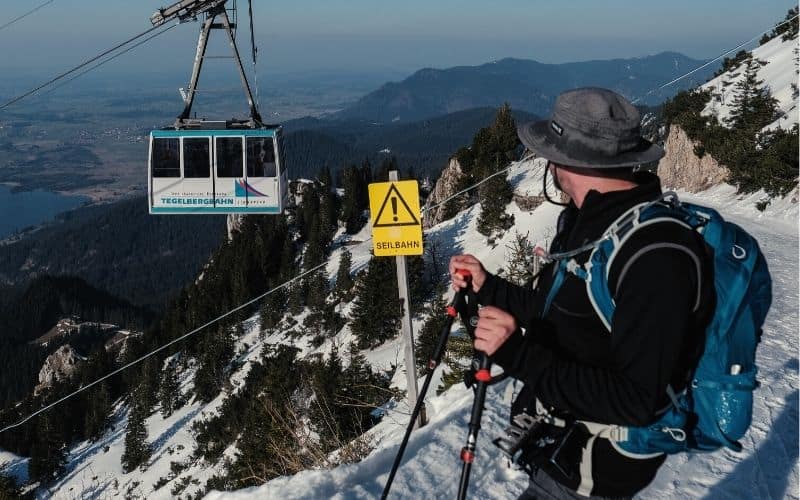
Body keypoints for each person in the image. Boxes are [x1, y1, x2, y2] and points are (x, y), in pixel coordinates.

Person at [449, 88, 715, 499]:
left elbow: (636, 399)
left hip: (597, 466)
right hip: (566, 446)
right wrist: (490, 288)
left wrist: (518, 355)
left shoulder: (655, 254)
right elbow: (563, 313)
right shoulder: (593, 224)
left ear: (563, 161)